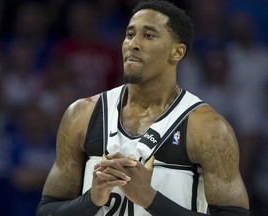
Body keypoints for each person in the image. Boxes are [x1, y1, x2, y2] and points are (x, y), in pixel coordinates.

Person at [36, 0, 250, 215]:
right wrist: (91, 200)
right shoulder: (82, 114)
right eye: (130, 35)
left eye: (148, 35)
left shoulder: (208, 128)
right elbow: (46, 211)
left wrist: (148, 198)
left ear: (177, 52)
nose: (133, 44)